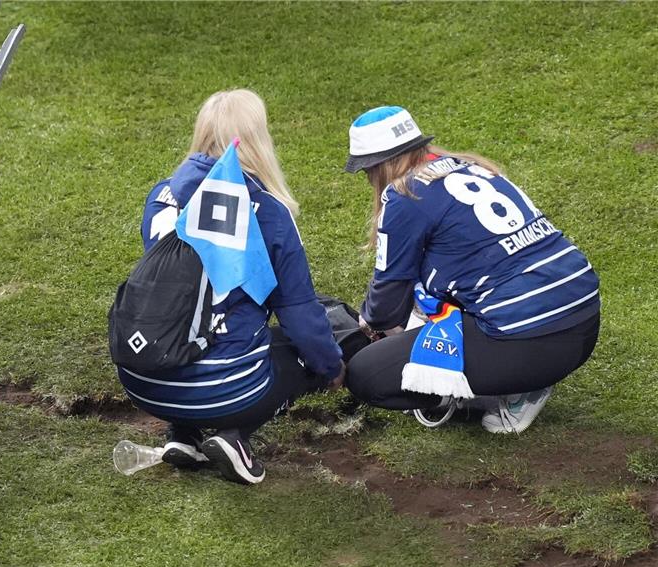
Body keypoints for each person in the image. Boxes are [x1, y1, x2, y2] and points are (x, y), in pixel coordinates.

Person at [116, 89, 346, 485]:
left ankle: (183, 433)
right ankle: (235, 436)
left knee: (199, 321)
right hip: (226, 391)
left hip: (143, 381)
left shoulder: (160, 196)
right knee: (299, 353)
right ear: (256, 141)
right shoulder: (269, 211)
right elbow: (300, 317)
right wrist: (333, 368)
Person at [342, 106, 599, 433]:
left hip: (530, 342)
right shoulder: (472, 166)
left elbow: (386, 308)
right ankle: (520, 378)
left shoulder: (404, 193)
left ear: (377, 166)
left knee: (367, 374)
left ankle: (511, 391)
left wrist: (369, 320)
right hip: (584, 323)